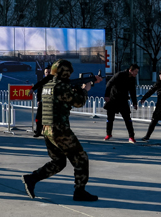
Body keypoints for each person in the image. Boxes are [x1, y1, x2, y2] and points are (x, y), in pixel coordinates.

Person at [21, 60, 102, 202]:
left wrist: (79, 88)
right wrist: (85, 89)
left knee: (59, 162)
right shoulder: (61, 86)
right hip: (60, 129)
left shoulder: (49, 85)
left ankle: (32, 178)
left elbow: (61, 102)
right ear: (66, 72)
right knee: (81, 159)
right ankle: (80, 192)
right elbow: (78, 102)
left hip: (47, 129)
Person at [104, 64, 139, 142]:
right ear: (130, 70)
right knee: (110, 118)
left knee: (127, 119)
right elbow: (109, 83)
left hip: (123, 101)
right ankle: (108, 134)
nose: (136, 73)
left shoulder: (132, 79)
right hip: (113, 99)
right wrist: (107, 96)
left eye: (137, 72)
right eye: (135, 71)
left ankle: (131, 137)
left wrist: (135, 103)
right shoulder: (120, 75)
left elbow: (133, 91)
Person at [31, 65, 54, 137]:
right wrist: (38, 100)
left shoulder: (54, 81)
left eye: (49, 72)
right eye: (46, 72)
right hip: (42, 102)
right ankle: (38, 131)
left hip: (51, 103)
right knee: (38, 117)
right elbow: (39, 91)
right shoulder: (42, 81)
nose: (48, 73)